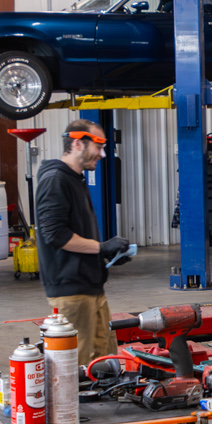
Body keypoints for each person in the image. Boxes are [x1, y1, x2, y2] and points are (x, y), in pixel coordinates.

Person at [35, 118, 133, 367]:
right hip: (71, 291)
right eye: (98, 146)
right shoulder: (56, 180)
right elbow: (55, 235)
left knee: (104, 359)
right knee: (77, 366)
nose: (101, 154)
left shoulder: (75, 178)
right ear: (78, 143)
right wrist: (101, 247)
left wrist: (105, 256)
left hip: (90, 286)